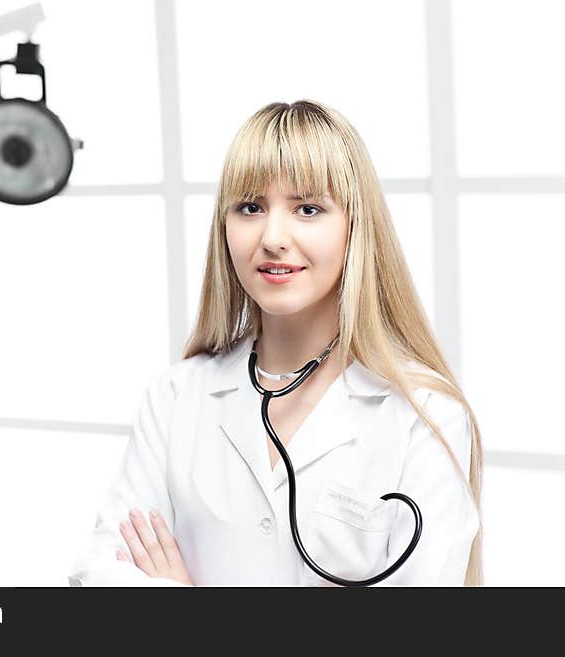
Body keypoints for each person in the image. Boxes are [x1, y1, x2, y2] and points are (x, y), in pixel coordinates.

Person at [67, 100, 483, 587]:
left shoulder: (425, 413)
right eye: (250, 207)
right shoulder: (178, 396)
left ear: (356, 228)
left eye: (308, 209)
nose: (273, 237)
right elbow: (100, 573)